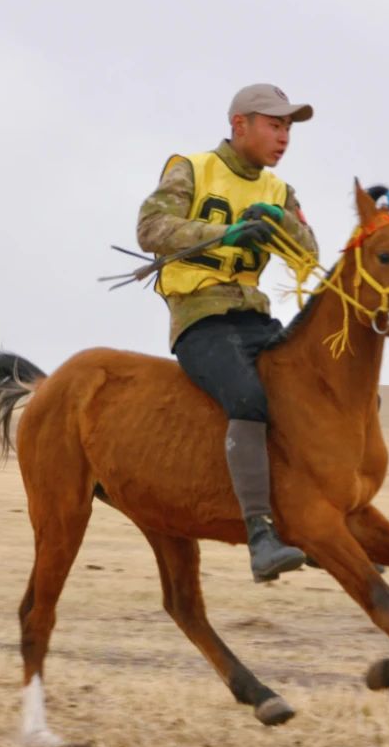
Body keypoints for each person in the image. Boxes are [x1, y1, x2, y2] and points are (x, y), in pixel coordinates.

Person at [136, 83, 319, 582]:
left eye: (288, 128)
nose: (284, 137)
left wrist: (281, 222)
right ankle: (260, 535)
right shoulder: (191, 169)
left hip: (256, 318)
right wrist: (225, 233)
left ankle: (319, 521)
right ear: (240, 124)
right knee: (247, 397)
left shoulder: (280, 192)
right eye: (275, 125)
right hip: (200, 318)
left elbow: (308, 255)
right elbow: (150, 229)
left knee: (319, 392)